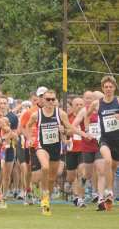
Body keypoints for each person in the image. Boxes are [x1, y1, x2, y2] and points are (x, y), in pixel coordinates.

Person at [27, 90, 82, 215]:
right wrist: (30, 138)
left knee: (52, 178)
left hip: (56, 148)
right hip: (41, 146)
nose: (51, 102)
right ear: (43, 100)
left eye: (53, 99)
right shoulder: (37, 115)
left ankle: (46, 199)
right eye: (48, 99)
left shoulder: (60, 114)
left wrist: (66, 131)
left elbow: (69, 128)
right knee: (45, 167)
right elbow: (27, 125)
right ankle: (44, 199)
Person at [87, 76, 119, 210]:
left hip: (117, 139)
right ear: (102, 88)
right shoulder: (97, 103)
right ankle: (109, 191)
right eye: (106, 87)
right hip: (104, 139)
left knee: (113, 166)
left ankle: (109, 193)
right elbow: (87, 115)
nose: (108, 89)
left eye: (110, 87)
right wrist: (88, 130)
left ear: (114, 88)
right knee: (107, 161)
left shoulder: (118, 101)